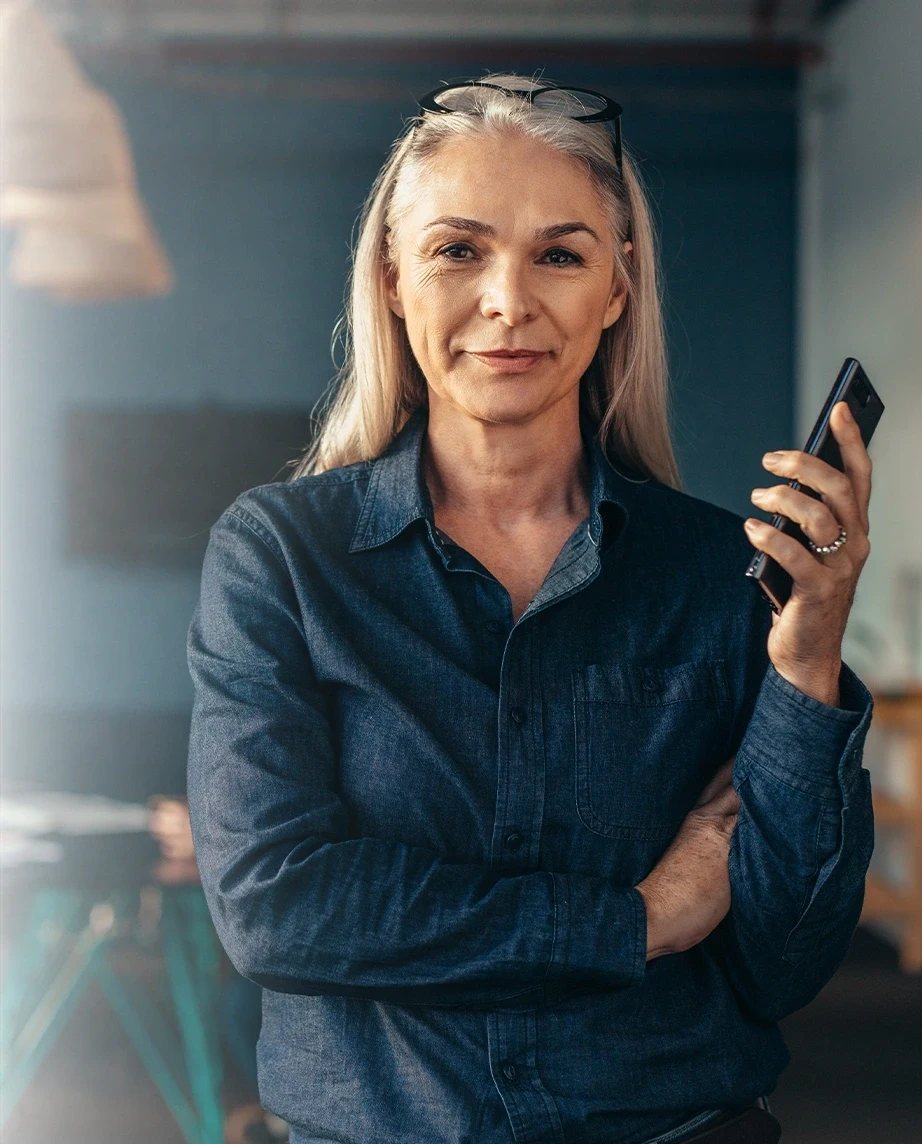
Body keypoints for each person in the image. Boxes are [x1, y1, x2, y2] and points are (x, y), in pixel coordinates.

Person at [186, 75, 876, 1144]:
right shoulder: (280, 556)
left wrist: (807, 665)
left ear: (617, 287)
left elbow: (781, 965)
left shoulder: (720, 573)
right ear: (393, 281)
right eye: (458, 250)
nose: (509, 300)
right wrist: (634, 921)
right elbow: (274, 907)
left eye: (559, 253)